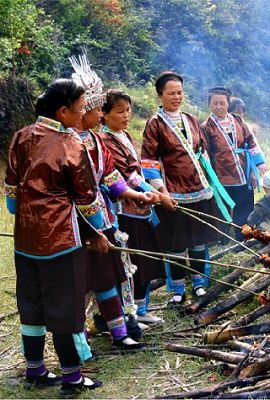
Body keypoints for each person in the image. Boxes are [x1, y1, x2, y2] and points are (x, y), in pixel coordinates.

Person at [5, 78, 105, 395]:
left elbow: (10, 196)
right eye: (79, 110)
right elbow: (87, 201)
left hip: (25, 239)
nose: (82, 116)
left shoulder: (20, 137)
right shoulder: (71, 144)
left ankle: (35, 369)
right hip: (62, 240)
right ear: (63, 112)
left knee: (31, 302)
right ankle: (73, 377)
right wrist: (100, 231)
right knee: (66, 306)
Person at [70, 54, 156, 349]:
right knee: (81, 280)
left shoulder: (95, 141)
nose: (97, 114)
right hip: (75, 224)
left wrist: (137, 194)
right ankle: (79, 339)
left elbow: (112, 178)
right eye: (93, 109)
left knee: (108, 274)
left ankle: (120, 331)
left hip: (106, 217)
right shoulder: (65, 143)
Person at [142, 71, 221, 306]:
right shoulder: (155, 124)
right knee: (176, 244)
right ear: (160, 95)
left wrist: (211, 182)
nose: (176, 97)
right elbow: (149, 162)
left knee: (197, 241)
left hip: (199, 190)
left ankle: (198, 284)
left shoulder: (191, 119)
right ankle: (177, 289)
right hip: (173, 194)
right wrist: (161, 192)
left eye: (179, 92)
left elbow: (202, 153)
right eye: (171, 93)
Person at [99, 89, 166, 325]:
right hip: (124, 209)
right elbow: (125, 175)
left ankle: (140, 308)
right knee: (131, 261)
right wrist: (151, 191)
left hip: (141, 207)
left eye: (128, 110)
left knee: (144, 259)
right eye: (120, 111)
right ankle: (128, 313)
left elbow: (136, 170)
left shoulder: (124, 135)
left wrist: (153, 191)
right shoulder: (105, 140)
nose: (126, 115)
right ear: (104, 114)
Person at [201, 86, 268, 240]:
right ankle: (222, 238)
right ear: (209, 105)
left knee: (244, 207)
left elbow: (251, 142)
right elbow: (203, 152)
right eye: (215, 103)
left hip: (243, 173)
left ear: (227, 104)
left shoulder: (238, 121)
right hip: (221, 177)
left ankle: (244, 236)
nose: (219, 107)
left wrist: (258, 164)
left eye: (222, 103)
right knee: (222, 208)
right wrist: (208, 175)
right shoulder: (206, 127)